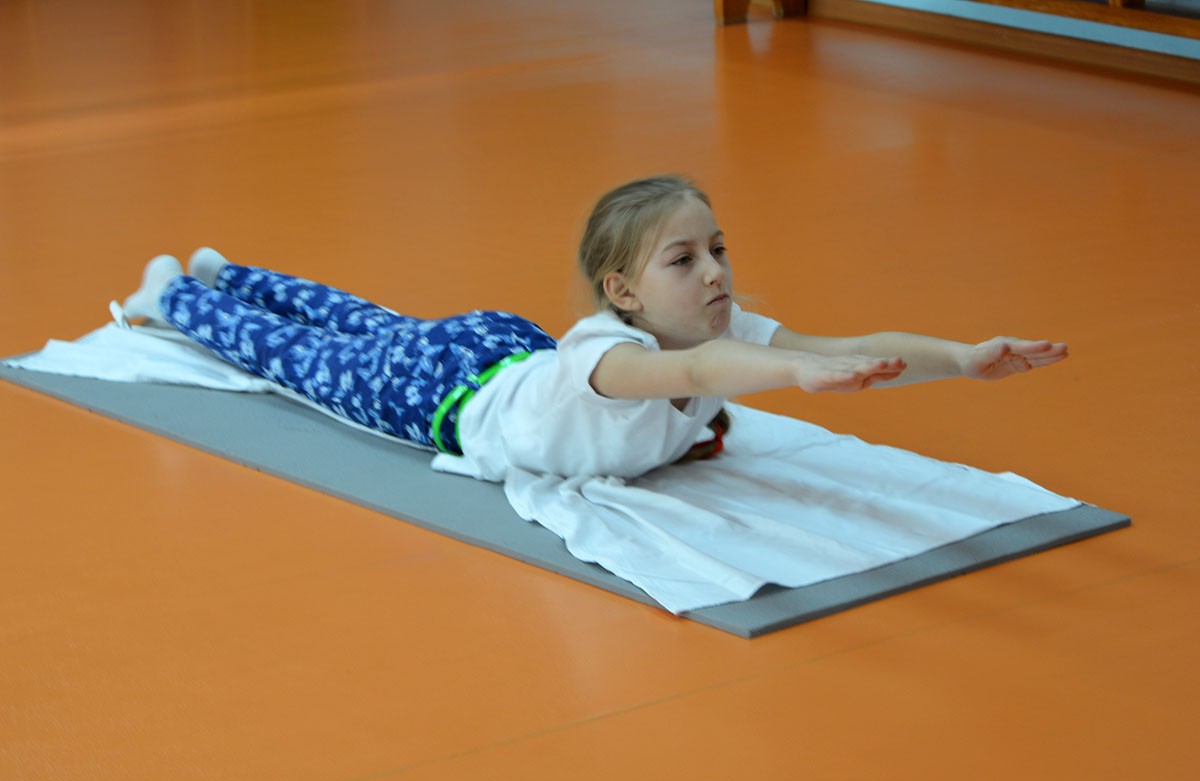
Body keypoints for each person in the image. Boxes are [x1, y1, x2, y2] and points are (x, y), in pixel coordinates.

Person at [122, 175, 1068, 482]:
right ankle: (175, 295)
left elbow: (851, 350)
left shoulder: (718, 329)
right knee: (312, 358)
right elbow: (710, 371)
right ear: (622, 291)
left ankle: (227, 271)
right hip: (449, 391)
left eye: (717, 249)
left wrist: (962, 359)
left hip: (501, 348)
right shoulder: (616, 360)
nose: (716, 273)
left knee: (363, 322)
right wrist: (792, 377)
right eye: (684, 261)